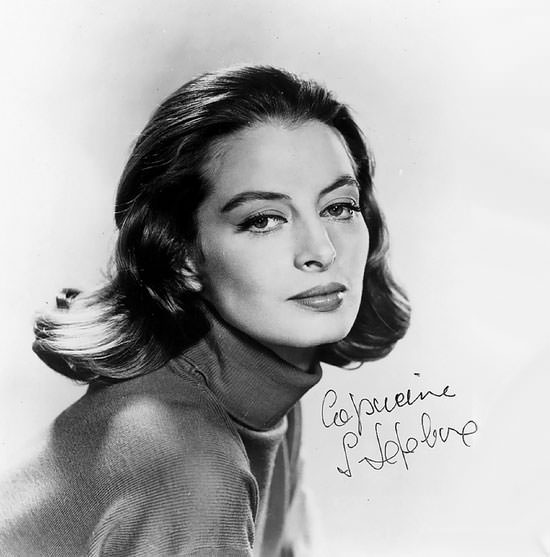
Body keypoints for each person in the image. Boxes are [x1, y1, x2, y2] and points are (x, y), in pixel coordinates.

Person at [0, 65, 410, 556]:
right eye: (264, 220)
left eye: (339, 207)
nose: (321, 250)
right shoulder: (188, 460)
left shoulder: (267, 402)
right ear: (183, 257)